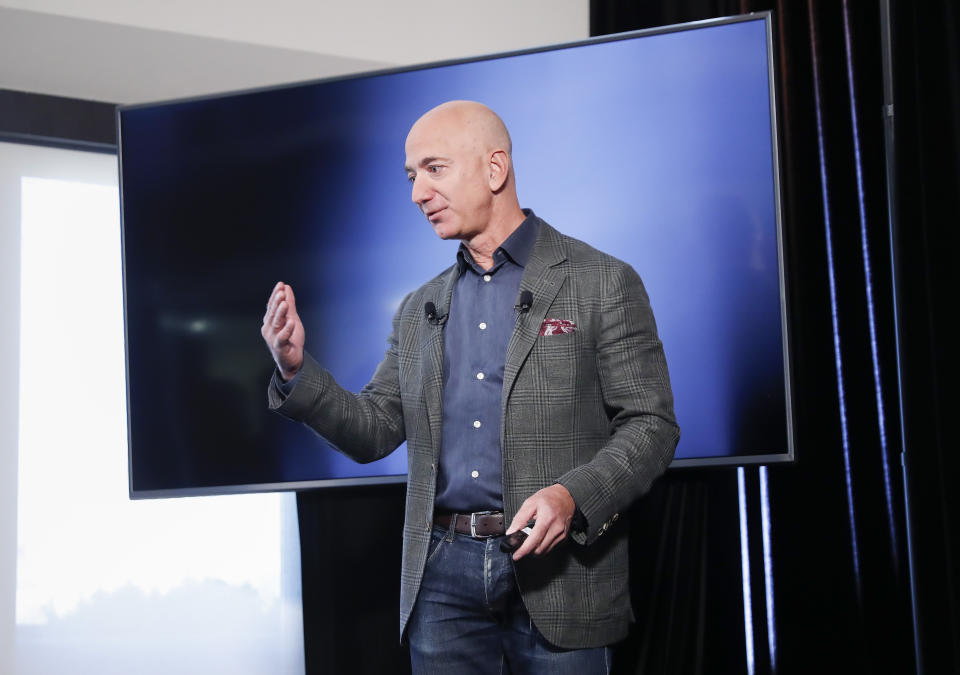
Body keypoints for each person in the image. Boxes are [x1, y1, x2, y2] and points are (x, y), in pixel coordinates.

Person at [262, 100, 679, 674]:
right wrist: (295, 370)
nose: (416, 193)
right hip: (443, 579)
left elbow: (651, 425)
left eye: (434, 169)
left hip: (561, 573)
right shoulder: (419, 308)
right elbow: (375, 430)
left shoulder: (601, 282)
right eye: (411, 177)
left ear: (494, 168)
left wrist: (572, 497)